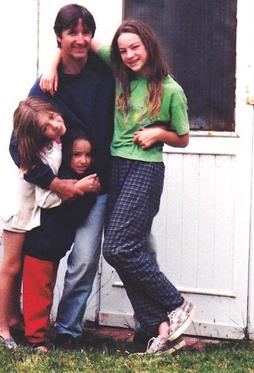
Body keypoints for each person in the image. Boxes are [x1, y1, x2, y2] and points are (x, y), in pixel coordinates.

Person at [41, 19, 195, 354]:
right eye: (123, 50)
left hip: (145, 168)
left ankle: (176, 303)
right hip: (117, 167)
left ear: (149, 46)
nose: (128, 55)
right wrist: (51, 64)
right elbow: (76, 44)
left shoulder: (170, 90)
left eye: (135, 48)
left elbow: (183, 137)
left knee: (121, 248)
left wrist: (158, 134)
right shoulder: (119, 68)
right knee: (123, 250)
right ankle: (162, 328)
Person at [9, 4, 115, 349]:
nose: (81, 40)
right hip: (56, 193)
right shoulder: (46, 87)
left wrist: (55, 56)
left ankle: (68, 331)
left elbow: (126, 55)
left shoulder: (104, 74)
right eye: (72, 33)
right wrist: (55, 184)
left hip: (94, 184)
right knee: (41, 257)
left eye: (86, 32)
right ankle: (35, 330)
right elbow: (18, 146)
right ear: (59, 36)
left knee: (84, 259)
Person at [0, 97, 67, 348]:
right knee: (11, 267)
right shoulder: (41, 154)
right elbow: (46, 197)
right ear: (36, 135)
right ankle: (3, 326)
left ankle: (16, 318)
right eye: (46, 127)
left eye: (52, 116)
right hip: (19, 212)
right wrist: (71, 190)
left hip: (31, 212)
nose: (54, 124)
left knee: (19, 266)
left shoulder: (51, 143)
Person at [23, 128, 97, 352]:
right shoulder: (59, 177)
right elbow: (47, 202)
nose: (83, 160)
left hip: (54, 247)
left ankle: (40, 334)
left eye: (87, 155)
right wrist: (78, 189)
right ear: (67, 155)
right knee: (39, 291)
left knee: (45, 288)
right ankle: (36, 339)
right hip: (40, 243)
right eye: (76, 155)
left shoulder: (86, 181)